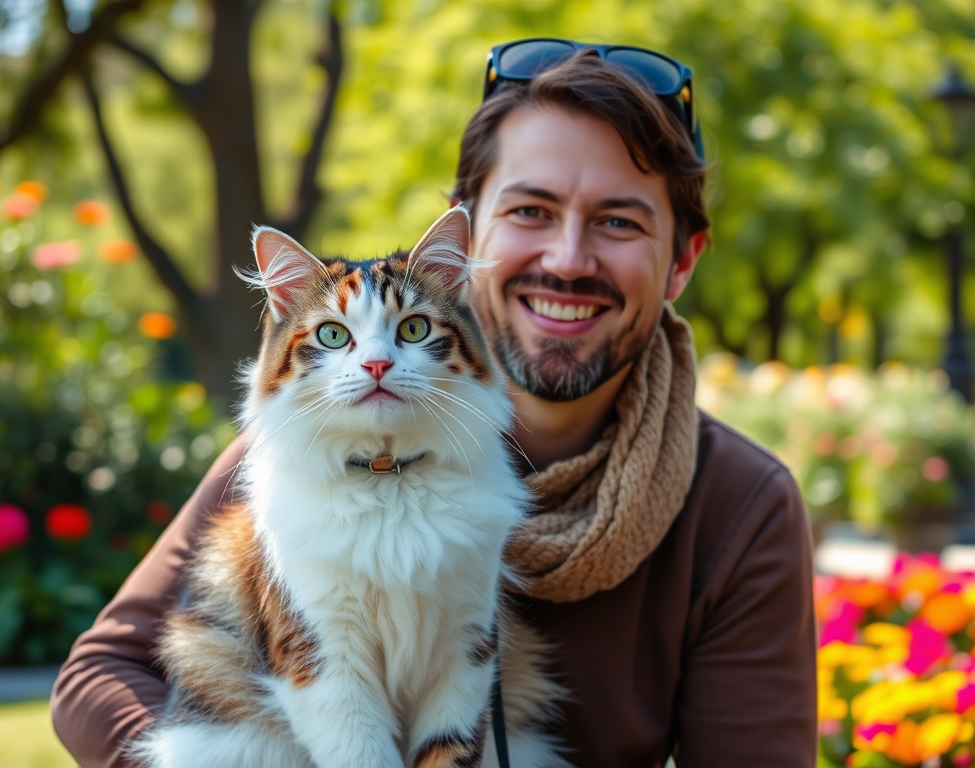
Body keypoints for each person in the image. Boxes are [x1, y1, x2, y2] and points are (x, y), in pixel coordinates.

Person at [51, 39, 816, 767]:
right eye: (530, 211)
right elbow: (96, 679)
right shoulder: (314, 439)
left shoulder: (740, 506)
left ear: (682, 260)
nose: (566, 259)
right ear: (464, 233)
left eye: (618, 221)